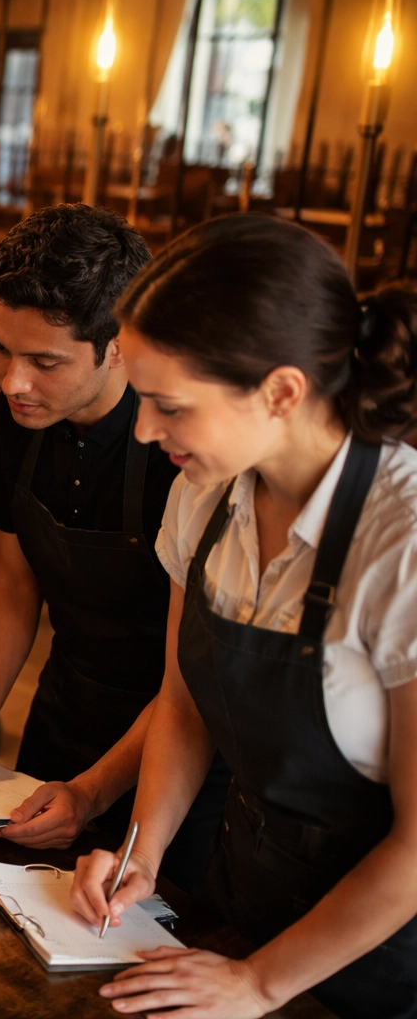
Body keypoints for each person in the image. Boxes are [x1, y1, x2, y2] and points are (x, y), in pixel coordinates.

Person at [70, 216, 417, 1018]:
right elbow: (186, 704)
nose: (147, 430)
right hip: (248, 909)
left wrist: (261, 982)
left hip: (380, 965)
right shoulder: (205, 494)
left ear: (282, 391)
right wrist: (141, 852)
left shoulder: (400, 543)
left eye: (170, 406)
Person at [0, 205, 227, 894]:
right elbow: (14, 583)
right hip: (61, 715)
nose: (13, 381)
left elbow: (188, 688)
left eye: (44, 361)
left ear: (118, 345)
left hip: (175, 755)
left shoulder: (180, 457)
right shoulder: (14, 425)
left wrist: (93, 792)